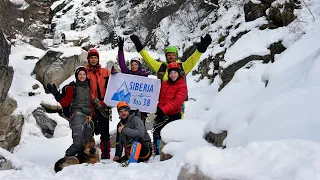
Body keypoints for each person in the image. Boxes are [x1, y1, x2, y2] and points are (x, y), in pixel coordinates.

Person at [130, 34, 212, 118]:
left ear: (176, 56)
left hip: (178, 102)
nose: (171, 56)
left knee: (177, 125)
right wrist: (138, 45)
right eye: (169, 55)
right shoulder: (161, 67)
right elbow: (148, 59)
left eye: (173, 54)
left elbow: (192, 60)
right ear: (166, 56)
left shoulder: (182, 66)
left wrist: (200, 50)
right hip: (163, 101)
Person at [47, 66, 93, 157]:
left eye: (84, 74)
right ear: (76, 76)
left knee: (87, 143)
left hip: (88, 117)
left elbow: (91, 103)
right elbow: (65, 103)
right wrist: (56, 94)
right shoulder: (72, 88)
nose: (82, 76)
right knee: (78, 143)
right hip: (77, 115)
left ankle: (82, 162)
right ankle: (66, 158)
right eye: (80, 74)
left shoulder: (89, 87)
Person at [153, 62, 188, 155]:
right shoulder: (164, 84)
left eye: (175, 73)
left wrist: (162, 110)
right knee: (156, 132)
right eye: (171, 73)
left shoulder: (182, 86)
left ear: (179, 73)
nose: (173, 75)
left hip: (173, 115)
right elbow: (157, 95)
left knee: (169, 136)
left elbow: (177, 102)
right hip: (161, 114)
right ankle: (157, 153)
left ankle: (166, 154)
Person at [116, 37, 150, 124]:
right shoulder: (128, 74)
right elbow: (122, 64)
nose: (134, 66)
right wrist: (120, 49)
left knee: (139, 125)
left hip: (140, 107)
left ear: (139, 65)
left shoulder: (144, 75)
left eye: (136, 64)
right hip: (128, 106)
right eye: (132, 64)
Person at [86, 48, 112, 159]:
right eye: (91, 57)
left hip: (104, 106)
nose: (93, 59)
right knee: (90, 132)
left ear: (98, 59)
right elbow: (84, 88)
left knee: (105, 131)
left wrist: (115, 74)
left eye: (95, 57)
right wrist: (94, 99)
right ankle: (90, 155)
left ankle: (106, 155)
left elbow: (114, 83)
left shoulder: (105, 71)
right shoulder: (85, 73)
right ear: (88, 59)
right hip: (91, 106)